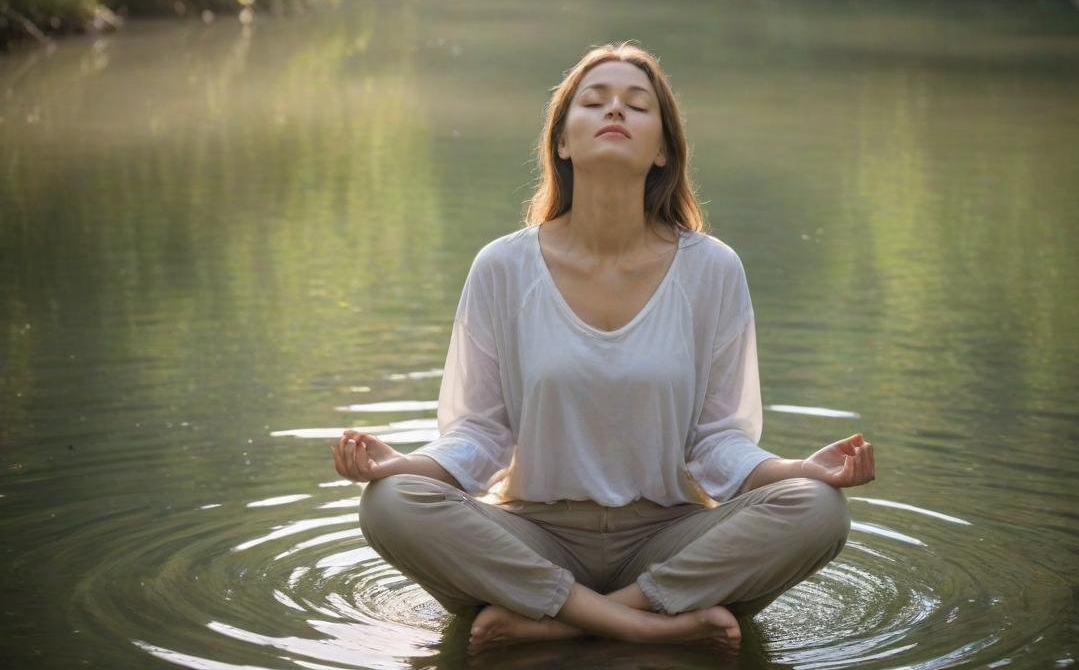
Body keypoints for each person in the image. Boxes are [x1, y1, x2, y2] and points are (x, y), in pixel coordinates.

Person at [331, 42, 875, 653]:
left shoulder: (712, 269)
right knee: (389, 504)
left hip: (668, 541)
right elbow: (480, 434)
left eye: (637, 106)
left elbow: (717, 441)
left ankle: (566, 617)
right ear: (562, 142)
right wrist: (404, 466)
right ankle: (645, 625)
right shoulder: (502, 267)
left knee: (820, 510)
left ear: (663, 148)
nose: (615, 110)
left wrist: (800, 472)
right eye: (594, 101)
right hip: (533, 537)